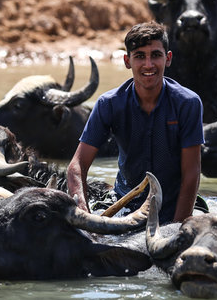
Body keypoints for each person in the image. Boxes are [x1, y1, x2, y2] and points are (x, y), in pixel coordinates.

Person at [67, 22, 204, 223]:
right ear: (127, 61)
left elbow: (192, 172)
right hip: (123, 202)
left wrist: (177, 228)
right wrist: (83, 214)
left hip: (177, 205)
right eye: (140, 56)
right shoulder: (109, 104)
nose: (148, 65)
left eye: (155, 55)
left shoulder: (188, 103)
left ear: (168, 59)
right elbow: (76, 166)